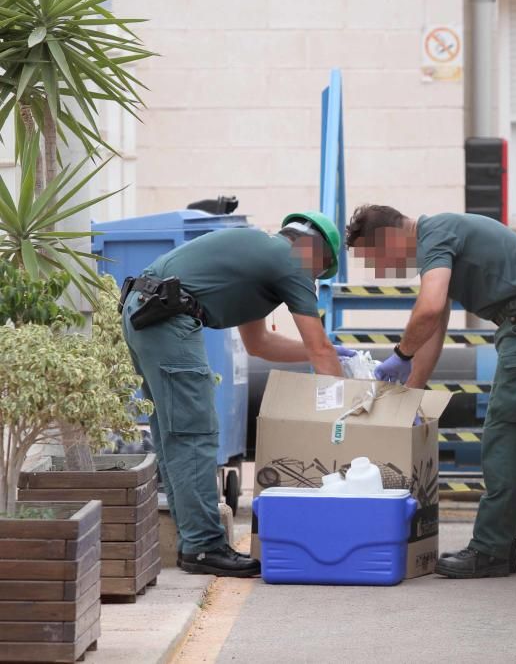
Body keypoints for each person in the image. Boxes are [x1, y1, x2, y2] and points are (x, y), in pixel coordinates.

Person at [121, 212, 351, 577]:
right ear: (315, 253)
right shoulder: (291, 261)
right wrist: (345, 419)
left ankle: (193, 542)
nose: (313, 279)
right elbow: (319, 347)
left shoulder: (260, 256)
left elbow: (259, 343)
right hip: (166, 317)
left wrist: (323, 353)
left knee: (174, 434)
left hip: (146, 312)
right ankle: (203, 547)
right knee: (194, 433)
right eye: (319, 272)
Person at [345, 204, 516, 579]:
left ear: (389, 237)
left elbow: (429, 308)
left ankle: (491, 550)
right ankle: (500, 546)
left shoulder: (434, 234)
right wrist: (411, 391)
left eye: (372, 257)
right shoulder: (442, 236)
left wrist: (399, 354)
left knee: (505, 434)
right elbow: (434, 325)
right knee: (510, 433)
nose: (377, 270)